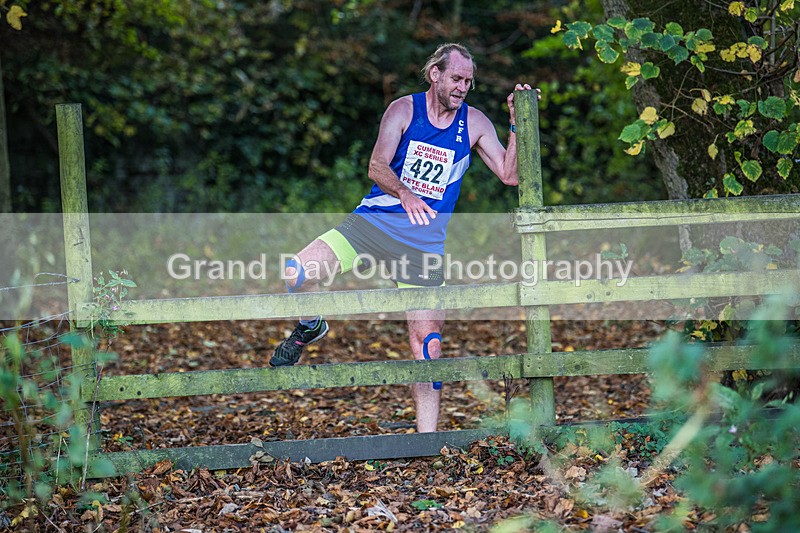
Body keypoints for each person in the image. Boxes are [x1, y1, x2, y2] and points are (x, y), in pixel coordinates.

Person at [271, 42, 536, 433]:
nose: (463, 87)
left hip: (421, 246)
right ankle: (311, 325)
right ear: (435, 74)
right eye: (456, 79)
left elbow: (509, 174)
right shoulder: (403, 110)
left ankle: (427, 442)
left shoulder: (475, 122)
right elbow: (376, 166)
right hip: (371, 225)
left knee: (428, 346)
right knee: (296, 273)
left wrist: (516, 123)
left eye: (468, 81)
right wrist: (404, 193)